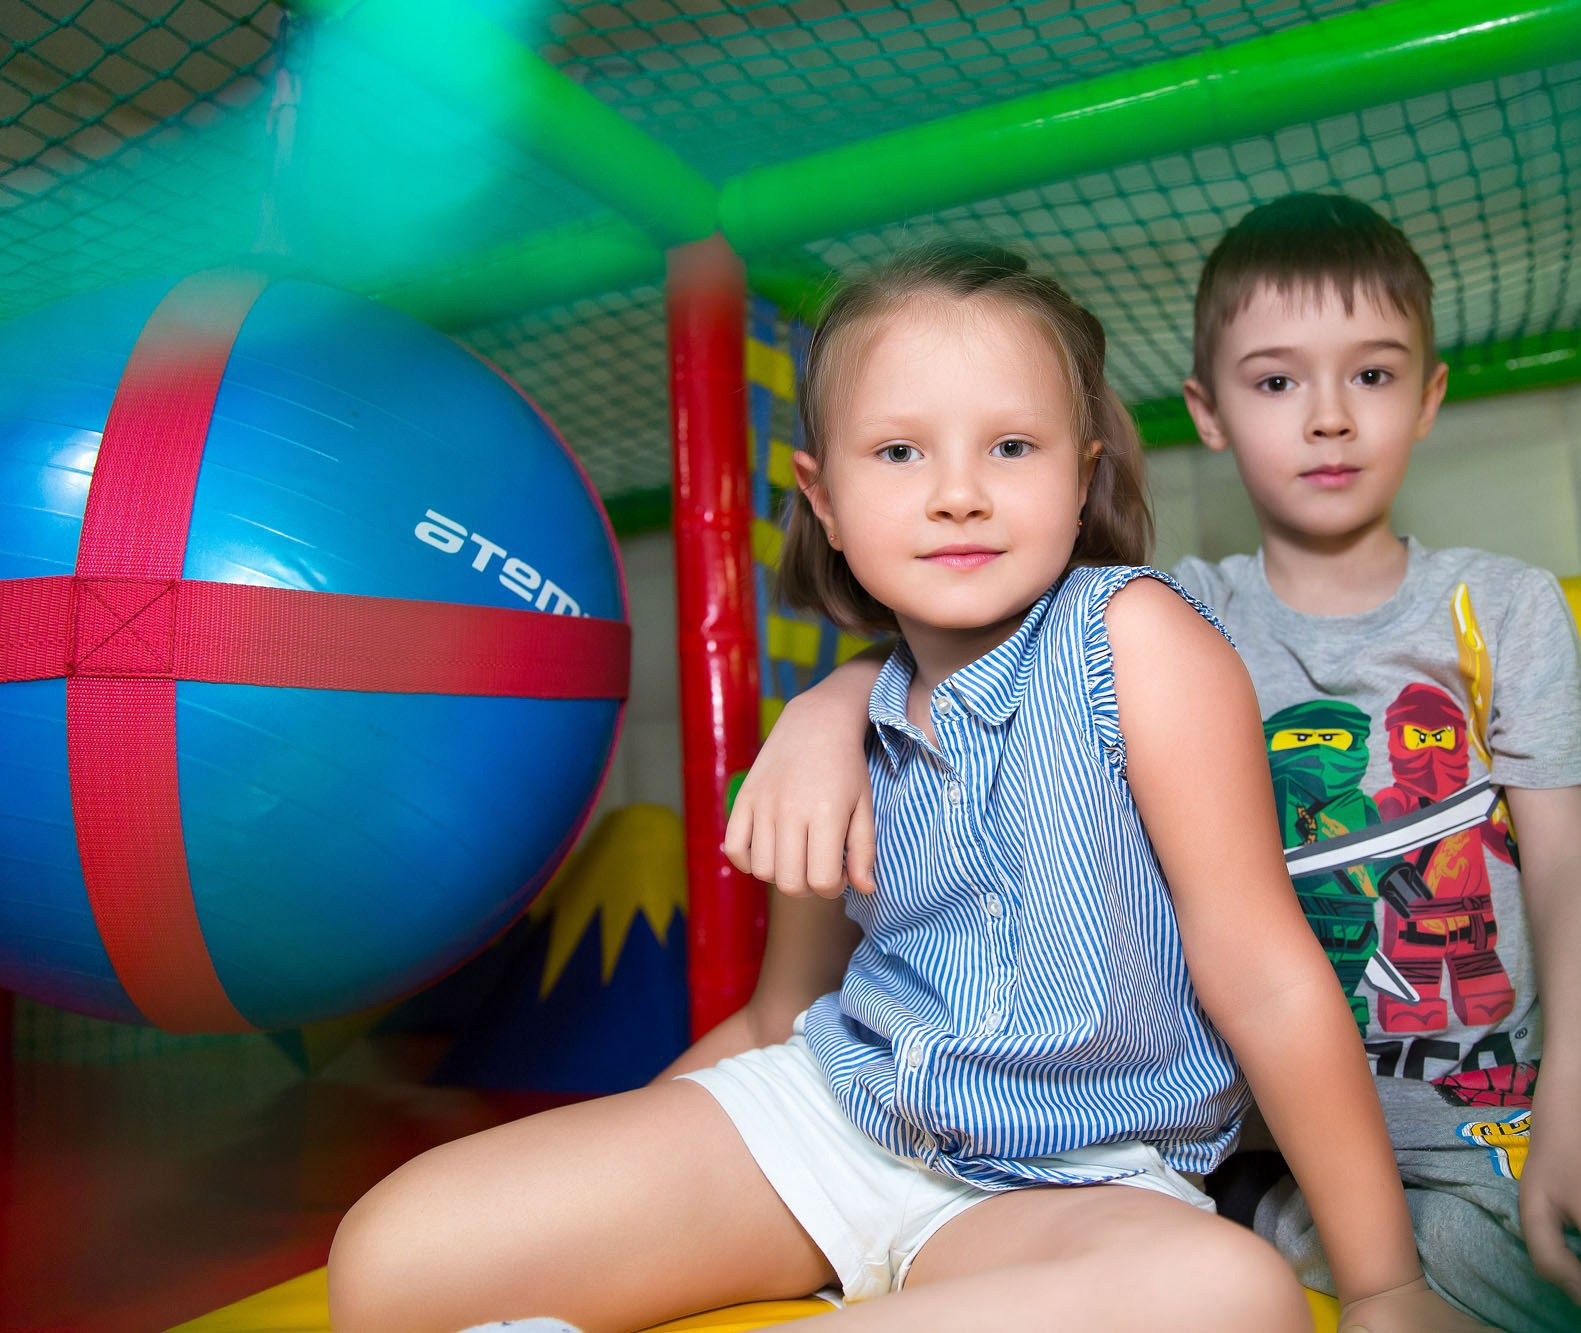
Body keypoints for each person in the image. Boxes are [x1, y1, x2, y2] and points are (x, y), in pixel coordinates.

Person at [326, 242, 1488, 1333]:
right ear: (822, 497)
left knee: (1226, 1297)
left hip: (1067, 1188)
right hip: (833, 1122)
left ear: (1081, 480)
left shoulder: (1133, 641)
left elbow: (1266, 977)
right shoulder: (833, 727)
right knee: (391, 1260)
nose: (957, 494)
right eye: (898, 452)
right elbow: (785, 1013)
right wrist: (638, 1150)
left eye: (1011, 448)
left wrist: (1383, 1283)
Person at [729, 199, 1581, 1333]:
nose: (1328, 420)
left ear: (1430, 396)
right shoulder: (1169, 615)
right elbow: (971, 647)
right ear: (1207, 412)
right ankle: (1282, 1229)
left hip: (1470, 1117)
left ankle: (1338, 1249)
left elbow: (1575, 876)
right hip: (1235, 1136)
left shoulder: (1501, 607)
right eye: (1276, 382)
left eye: (1373, 377)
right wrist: (833, 700)